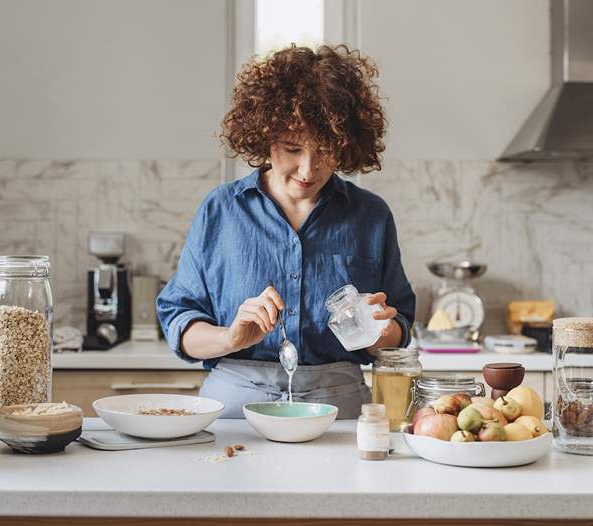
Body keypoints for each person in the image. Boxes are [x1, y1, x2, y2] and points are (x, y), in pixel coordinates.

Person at [157, 44, 415, 418]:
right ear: (265, 137)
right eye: (292, 149)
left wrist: (383, 331)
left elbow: (399, 330)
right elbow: (180, 321)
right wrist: (229, 337)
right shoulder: (221, 210)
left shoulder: (370, 216)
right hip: (235, 402)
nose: (308, 170)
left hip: (339, 401)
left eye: (325, 150)